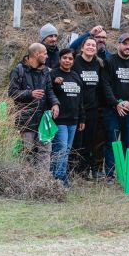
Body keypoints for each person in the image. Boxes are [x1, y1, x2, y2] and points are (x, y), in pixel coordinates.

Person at [101, 33, 129, 185]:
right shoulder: (109, 61)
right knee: (112, 142)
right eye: (124, 43)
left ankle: (127, 173)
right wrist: (115, 103)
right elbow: (105, 85)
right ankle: (110, 174)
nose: (127, 46)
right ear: (118, 45)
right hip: (112, 110)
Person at [8, 43, 60, 169]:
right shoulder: (18, 70)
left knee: (45, 152)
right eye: (45, 54)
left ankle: (42, 184)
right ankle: (26, 185)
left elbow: (49, 90)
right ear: (37, 54)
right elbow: (12, 93)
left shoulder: (45, 71)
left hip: (43, 120)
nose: (47, 56)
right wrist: (30, 93)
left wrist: (55, 103)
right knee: (27, 153)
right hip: (26, 120)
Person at [50, 49, 85, 187]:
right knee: (61, 149)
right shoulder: (53, 74)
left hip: (73, 120)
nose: (67, 61)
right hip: (59, 120)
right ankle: (60, 179)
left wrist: (82, 118)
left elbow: (80, 99)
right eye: (64, 58)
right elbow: (49, 93)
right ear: (59, 59)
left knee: (66, 150)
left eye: (70, 59)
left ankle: (55, 176)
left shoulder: (76, 76)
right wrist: (55, 83)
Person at [71, 37, 104, 179]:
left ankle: (84, 171)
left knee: (89, 142)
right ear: (82, 47)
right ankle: (73, 170)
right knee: (76, 141)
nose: (91, 47)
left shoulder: (98, 64)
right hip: (77, 109)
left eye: (93, 45)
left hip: (93, 109)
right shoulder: (75, 62)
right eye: (88, 45)